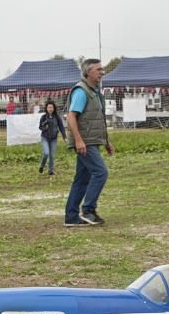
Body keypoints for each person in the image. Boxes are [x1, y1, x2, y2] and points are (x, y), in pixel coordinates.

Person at [64, 59, 114, 227]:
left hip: (92, 141)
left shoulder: (94, 91)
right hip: (85, 142)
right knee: (101, 172)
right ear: (88, 72)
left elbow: (97, 119)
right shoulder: (81, 91)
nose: (102, 72)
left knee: (82, 179)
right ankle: (88, 210)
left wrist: (106, 141)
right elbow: (71, 117)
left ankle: (71, 217)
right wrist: (78, 140)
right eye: (98, 69)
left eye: (102, 69)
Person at [38, 100, 66, 176]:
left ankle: (50, 171)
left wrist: (64, 136)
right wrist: (45, 127)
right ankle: (42, 166)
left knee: (52, 155)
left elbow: (61, 127)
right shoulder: (43, 117)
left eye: (51, 107)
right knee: (46, 153)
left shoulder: (57, 117)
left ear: (54, 108)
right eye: (48, 107)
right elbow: (40, 127)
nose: (50, 109)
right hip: (45, 138)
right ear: (46, 108)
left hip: (54, 138)